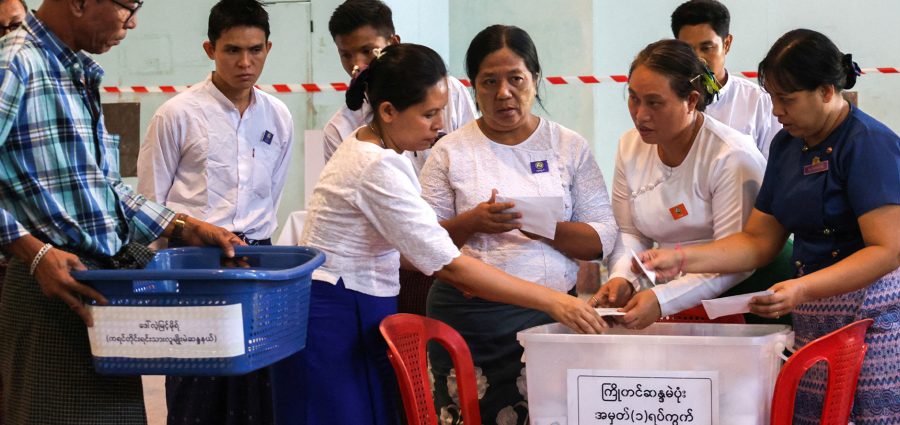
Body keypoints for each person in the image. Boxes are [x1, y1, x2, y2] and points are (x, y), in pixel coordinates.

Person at [270, 43, 604, 425]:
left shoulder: (381, 149)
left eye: (442, 111)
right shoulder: (377, 165)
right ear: (389, 111)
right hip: (340, 308)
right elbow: (449, 264)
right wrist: (553, 301)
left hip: (362, 303)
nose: (440, 123)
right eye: (429, 113)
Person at [642, 29, 900, 425]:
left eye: (786, 99)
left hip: (876, 318)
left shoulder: (870, 144)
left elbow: (888, 249)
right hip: (813, 313)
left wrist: (802, 287)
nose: (775, 111)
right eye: (772, 97)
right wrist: (683, 257)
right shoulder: (788, 146)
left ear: (826, 91)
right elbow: (758, 240)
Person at [0, 2, 244, 424]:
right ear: (79, 3)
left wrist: (184, 226)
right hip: (50, 297)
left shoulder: (74, 72)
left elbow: (104, 188)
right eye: (127, 7)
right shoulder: (15, 64)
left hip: (101, 290)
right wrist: (32, 252)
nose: (133, 22)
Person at [418, 25, 618, 425]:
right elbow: (423, 244)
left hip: (551, 317)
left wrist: (547, 228)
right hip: (469, 319)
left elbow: (603, 239)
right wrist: (472, 222)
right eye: (489, 82)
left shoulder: (567, 145)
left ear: (536, 80)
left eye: (516, 79)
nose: (503, 93)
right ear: (472, 87)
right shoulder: (450, 151)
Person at [135, 0, 292, 424]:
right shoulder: (176, 114)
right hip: (193, 267)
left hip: (256, 259)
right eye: (232, 51)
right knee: (195, 390)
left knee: (257, 386)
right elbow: (148, 205)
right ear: (210, 50)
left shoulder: (278, 116)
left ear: (268, 48)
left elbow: (271, 198)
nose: (245, 62)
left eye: (255, 50)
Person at [589, 39, 792, 329]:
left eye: (655, 102)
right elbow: (630, 231)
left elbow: (736, 260)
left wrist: (662, 299)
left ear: (692, 101)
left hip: (752, 297)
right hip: (682, 294)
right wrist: (623, 277)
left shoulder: (730, 156)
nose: (640, 115)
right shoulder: (630, 146)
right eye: (633, 98)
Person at [324, 0, 477, 317]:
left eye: (367, 51)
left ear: (393, 44)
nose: (357, 65)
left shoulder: (451, 93)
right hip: (395, 263)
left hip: (455, 244)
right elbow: (411, 244)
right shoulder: (353, 139)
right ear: (388, 113)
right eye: (346, 54)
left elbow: (471, 167)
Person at [671, 0, 781, 158]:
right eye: (688, 49)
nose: (698, 59)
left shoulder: (758, 101)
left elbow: (772, 166)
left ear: (727, 44)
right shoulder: (669, 99)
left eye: (707, 48)